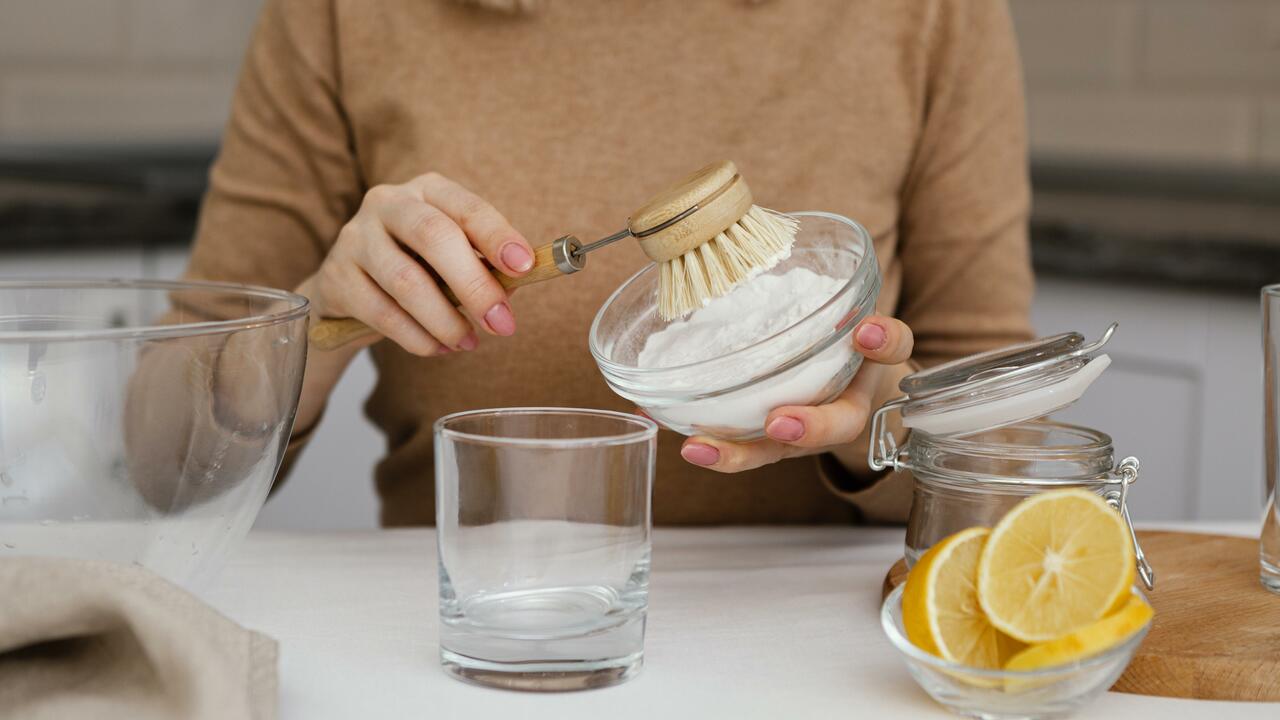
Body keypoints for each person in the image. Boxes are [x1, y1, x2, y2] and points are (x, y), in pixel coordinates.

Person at [179, 0, 1034, 526]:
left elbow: (1011, 458)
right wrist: (314, 322)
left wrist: (875, 416)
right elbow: (160, 469)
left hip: (824, 656)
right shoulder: (344, 12)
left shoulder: (925, 12)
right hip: (476, 628)